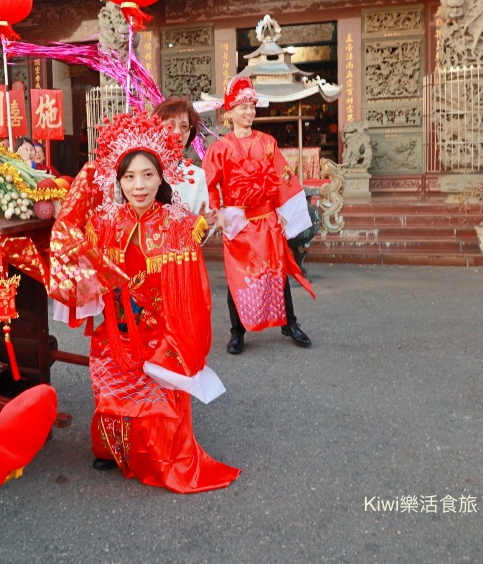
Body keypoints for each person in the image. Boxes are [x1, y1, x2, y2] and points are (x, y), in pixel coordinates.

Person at [48, 112, 239, 493]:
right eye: (130, 176)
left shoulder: (178, 223)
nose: (139, 186)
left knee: (159, 415)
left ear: (162, 177)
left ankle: (152, 452)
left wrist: (182, 343)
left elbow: (192, 292)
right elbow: (64, 240)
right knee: (111, 402)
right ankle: (110, 451)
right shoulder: (102, 223)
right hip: (114, 334)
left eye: (148, 175)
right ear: (118, 181)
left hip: (159, 335)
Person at [203, 75, 315, 354]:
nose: (250, 111)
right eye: (243, 106)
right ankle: (236, 330)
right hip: (237, 222)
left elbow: (283, 177)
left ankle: (289, 322)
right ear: (229, 112)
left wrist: (286, 210)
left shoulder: (267, 143)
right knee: (236, 278)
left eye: (252, 105)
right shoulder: (219, 148)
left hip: (267, 220)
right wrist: (215, 213)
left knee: (278, 273)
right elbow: (207, 185)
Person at [156, 97, 210, 217]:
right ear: (156, 128)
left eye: (184, 126)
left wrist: (205, 224)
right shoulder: (140, 169)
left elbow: (203, 224)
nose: (177, 132)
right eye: (170, 125)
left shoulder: (196, 175)